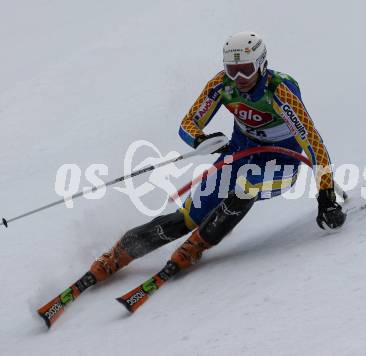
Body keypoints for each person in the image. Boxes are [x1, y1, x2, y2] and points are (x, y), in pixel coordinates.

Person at [86, 31, 346, 285]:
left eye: (245, 69)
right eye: (232, 70)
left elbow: (313, 143)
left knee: (247, 187)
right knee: (186, 217)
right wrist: (201, 140)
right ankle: (120, 252)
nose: (239, 77)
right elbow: (188, 123)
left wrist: (326, 196)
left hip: (280, 164)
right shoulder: (222, 85)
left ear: (261, 64)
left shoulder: (279, 90)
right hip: (240, 155)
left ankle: (195, 246)